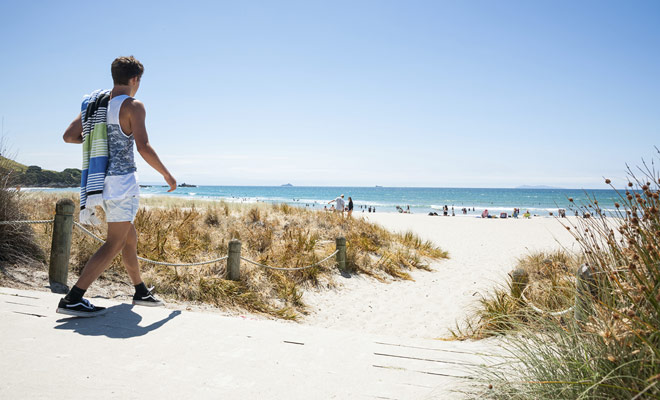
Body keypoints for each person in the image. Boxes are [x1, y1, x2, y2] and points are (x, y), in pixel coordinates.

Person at [57, 56, 176, 317]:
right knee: (114, 243)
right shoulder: (134, 106)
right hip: (122, 185)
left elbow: (69, 137)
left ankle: (140, 291)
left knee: (128, 238)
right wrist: (167, 175)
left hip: (101, 184)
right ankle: (73, 298)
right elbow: (143, 146)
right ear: (135, 80)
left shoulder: (96, 104)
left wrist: (95, 140)